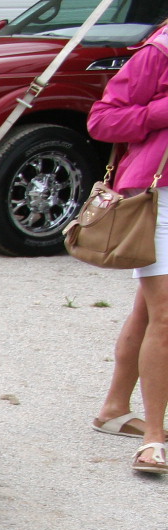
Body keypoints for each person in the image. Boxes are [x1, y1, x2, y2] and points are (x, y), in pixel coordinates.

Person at [89, 23, 168, 473]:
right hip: (157, 200)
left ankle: (114, 409)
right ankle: (154, 438)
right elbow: (102, 120)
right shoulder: (159, 53)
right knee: (165, 313)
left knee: (148, 310)